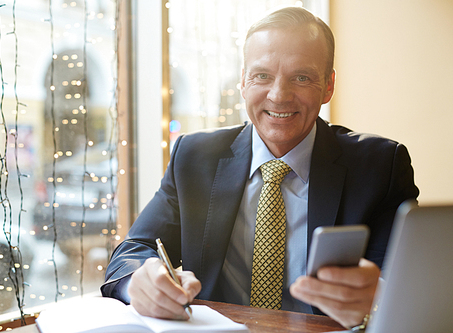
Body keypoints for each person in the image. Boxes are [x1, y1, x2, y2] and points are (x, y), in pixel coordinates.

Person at [101, 6, 419, 329]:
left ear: (328, 86)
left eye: (302, 77)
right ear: (243, 81)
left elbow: (407, 286)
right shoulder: (194, 157)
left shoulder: (381, 167)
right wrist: (140, 281)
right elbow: (131, 251)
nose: (279, 96)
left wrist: (376, 300)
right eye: (262, 76)